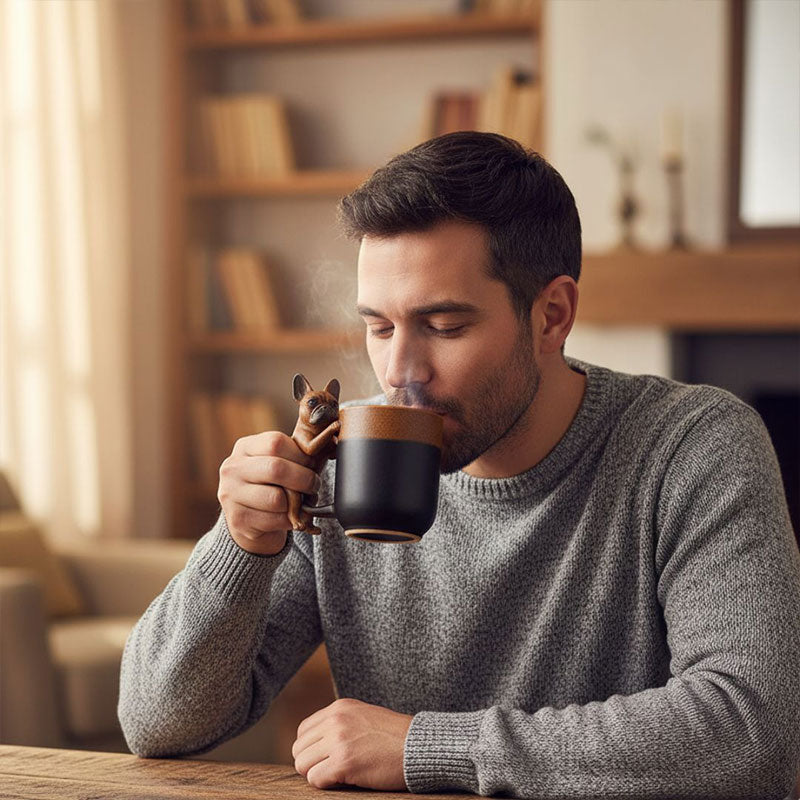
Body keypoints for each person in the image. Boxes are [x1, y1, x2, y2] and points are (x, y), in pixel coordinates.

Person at [118, 132, 800, 798]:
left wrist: (423, 747)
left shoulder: (693, 446)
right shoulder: (340, 453)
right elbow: (158, 723)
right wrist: (238, 545)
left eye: (444, 327)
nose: (399, 373)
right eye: (379, 327)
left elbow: (754, 735)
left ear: (551, 316)